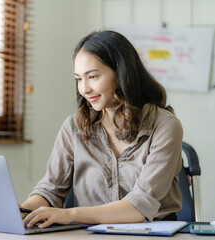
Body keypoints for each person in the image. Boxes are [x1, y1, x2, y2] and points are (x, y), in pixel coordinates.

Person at [20, 30, 183, 229]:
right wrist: (24, 211)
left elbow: (139, 206)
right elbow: (50, 191)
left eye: (93, 76)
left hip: (151, 232)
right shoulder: (73, 128)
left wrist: (68, 214)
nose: (84, 89)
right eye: (79, 79)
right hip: (90, 233)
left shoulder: (165, 126)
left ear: (121, 73)